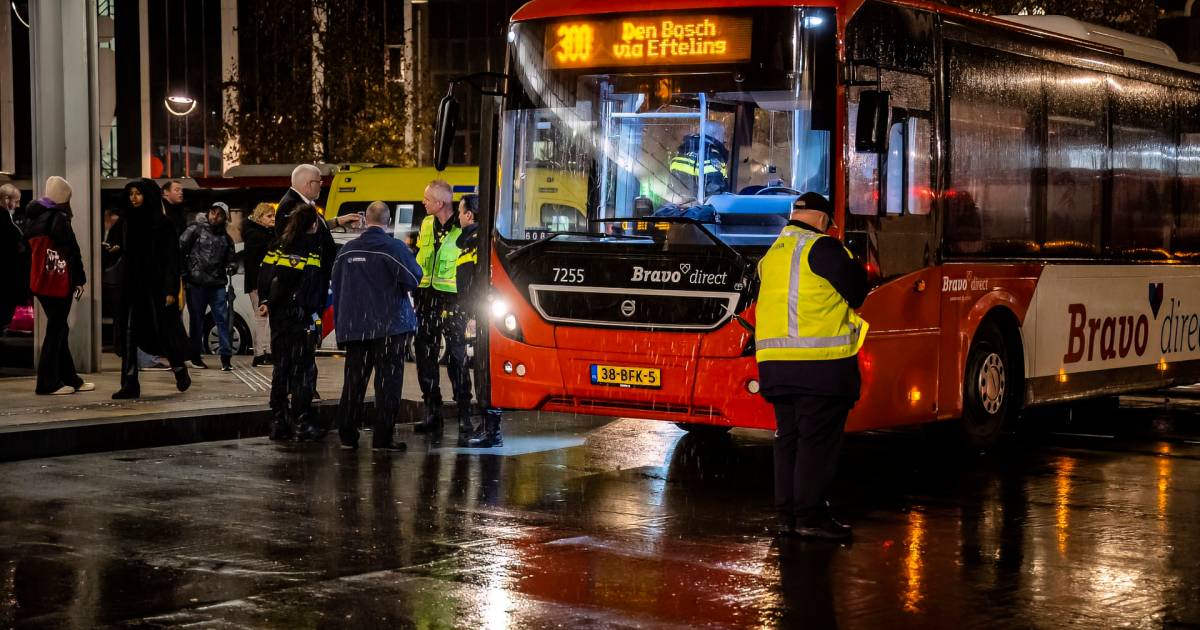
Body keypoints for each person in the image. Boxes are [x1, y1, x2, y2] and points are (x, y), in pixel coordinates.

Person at [755, 192, 868, 540]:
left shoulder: (771, 255)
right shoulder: (823, 249)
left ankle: (787, 515)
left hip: (775, 366)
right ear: (822, 220)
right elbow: (858, 290)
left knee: (788, 439)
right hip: (819, 367)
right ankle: (810, 516)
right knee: (816, 443)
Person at [330, 201, 422, 451]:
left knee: (354, 381)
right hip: (389, 327)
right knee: (388, 383)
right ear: (388, 221)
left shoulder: (347, 250)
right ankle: (382, 439)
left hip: (356, 327)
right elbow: (414, 278)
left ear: (364, 220)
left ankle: (347, 434)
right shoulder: (394, 248)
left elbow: (337, 285)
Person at [109, 179, 192, 399]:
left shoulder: (161, 224)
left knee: (163, 331)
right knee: (128, 334)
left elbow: (172, 260)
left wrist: (169, 290)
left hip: (155, 289)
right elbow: (122, 251)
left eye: (138, 194)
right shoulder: (126, 222)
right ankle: (129, 383)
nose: (133, 198)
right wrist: (114, 250)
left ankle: (179, 368)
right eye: (131, 194)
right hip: (131, 287)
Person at [258, 204, 328, 442]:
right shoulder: (312, 250)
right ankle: (302, 422)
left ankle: (278, 421)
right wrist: (313, 314)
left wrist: (267, 301)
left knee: (282, 368)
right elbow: (312, 285)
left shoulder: (278, 246)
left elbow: (265, 276)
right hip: (300, 318)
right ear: (313, 224)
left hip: (279, 317)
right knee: (303, 371)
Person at [413, 179, 473, 442]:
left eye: (427, 199)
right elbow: (418, 256)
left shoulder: (463, 229)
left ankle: (464, 413)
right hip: (427, 299)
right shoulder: (426, 224)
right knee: (425, 354)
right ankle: (432, 410)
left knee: (457, 358)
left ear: (440, 203)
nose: (423, 202)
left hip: (453, 301)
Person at [23, 176, 93, 395]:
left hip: (40, 282)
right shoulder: (58, 218)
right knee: (56, 331)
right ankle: (47, 383)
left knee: (59, 328)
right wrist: (80, 280)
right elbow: (71, 251)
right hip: (58, 282)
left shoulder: (33, 218)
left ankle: (70, 378)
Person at [455, 194, 503, 448]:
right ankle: (489, 428)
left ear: (469, 215)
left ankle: (492, 431)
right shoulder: (475, 240)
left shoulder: (477, 241)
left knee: (485, 373)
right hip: (479, 314)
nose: (458, 217)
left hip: (480, 315)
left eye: (460, 212)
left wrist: (473, 314)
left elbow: (475, 283)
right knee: (482, 371)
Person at [180, 202, 237, 370]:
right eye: (213, 212)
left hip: (216, 283)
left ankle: (225, 356)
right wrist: (184, 273)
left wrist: (232, 267)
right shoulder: (195, 230)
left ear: (225, 218)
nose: (215, 216)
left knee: (222, 319)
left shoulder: (226, 238)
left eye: (219, 214)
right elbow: (180, 249)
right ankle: (195, 356)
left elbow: (231, 259)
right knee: (197, 321)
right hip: (197, 283)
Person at [242, 202, 276, 367]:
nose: (272, 219)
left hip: (265, 282)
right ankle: (260, 353)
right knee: (261, 318)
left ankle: (267, 351)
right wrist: (258, 285)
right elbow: (253, 264)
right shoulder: (256, 235)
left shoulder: (265, 234)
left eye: (273, 215)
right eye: (269, 216)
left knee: (266, 318)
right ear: (260, 217)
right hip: (259, 283)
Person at [0, 183, 27, 335]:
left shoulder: (7, 220)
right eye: (16, 201)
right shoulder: (4, 221)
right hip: (5, 279)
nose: (18, 205)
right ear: (5, 199)